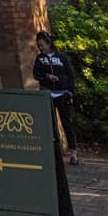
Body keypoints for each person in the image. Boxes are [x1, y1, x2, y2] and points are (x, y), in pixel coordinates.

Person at [33, 29, 80, 164]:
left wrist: (70, 91)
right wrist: (46, 76)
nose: (41, 48)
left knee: (67, 123)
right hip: (48, 93)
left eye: (42, 45)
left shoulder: (62, 58)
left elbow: (70, 75)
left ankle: (73, 153)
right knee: (50, 125)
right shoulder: (40, 59)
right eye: (39, 46)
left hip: (63, 93)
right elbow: (36, 74)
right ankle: (54, 154)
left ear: (49, 44)